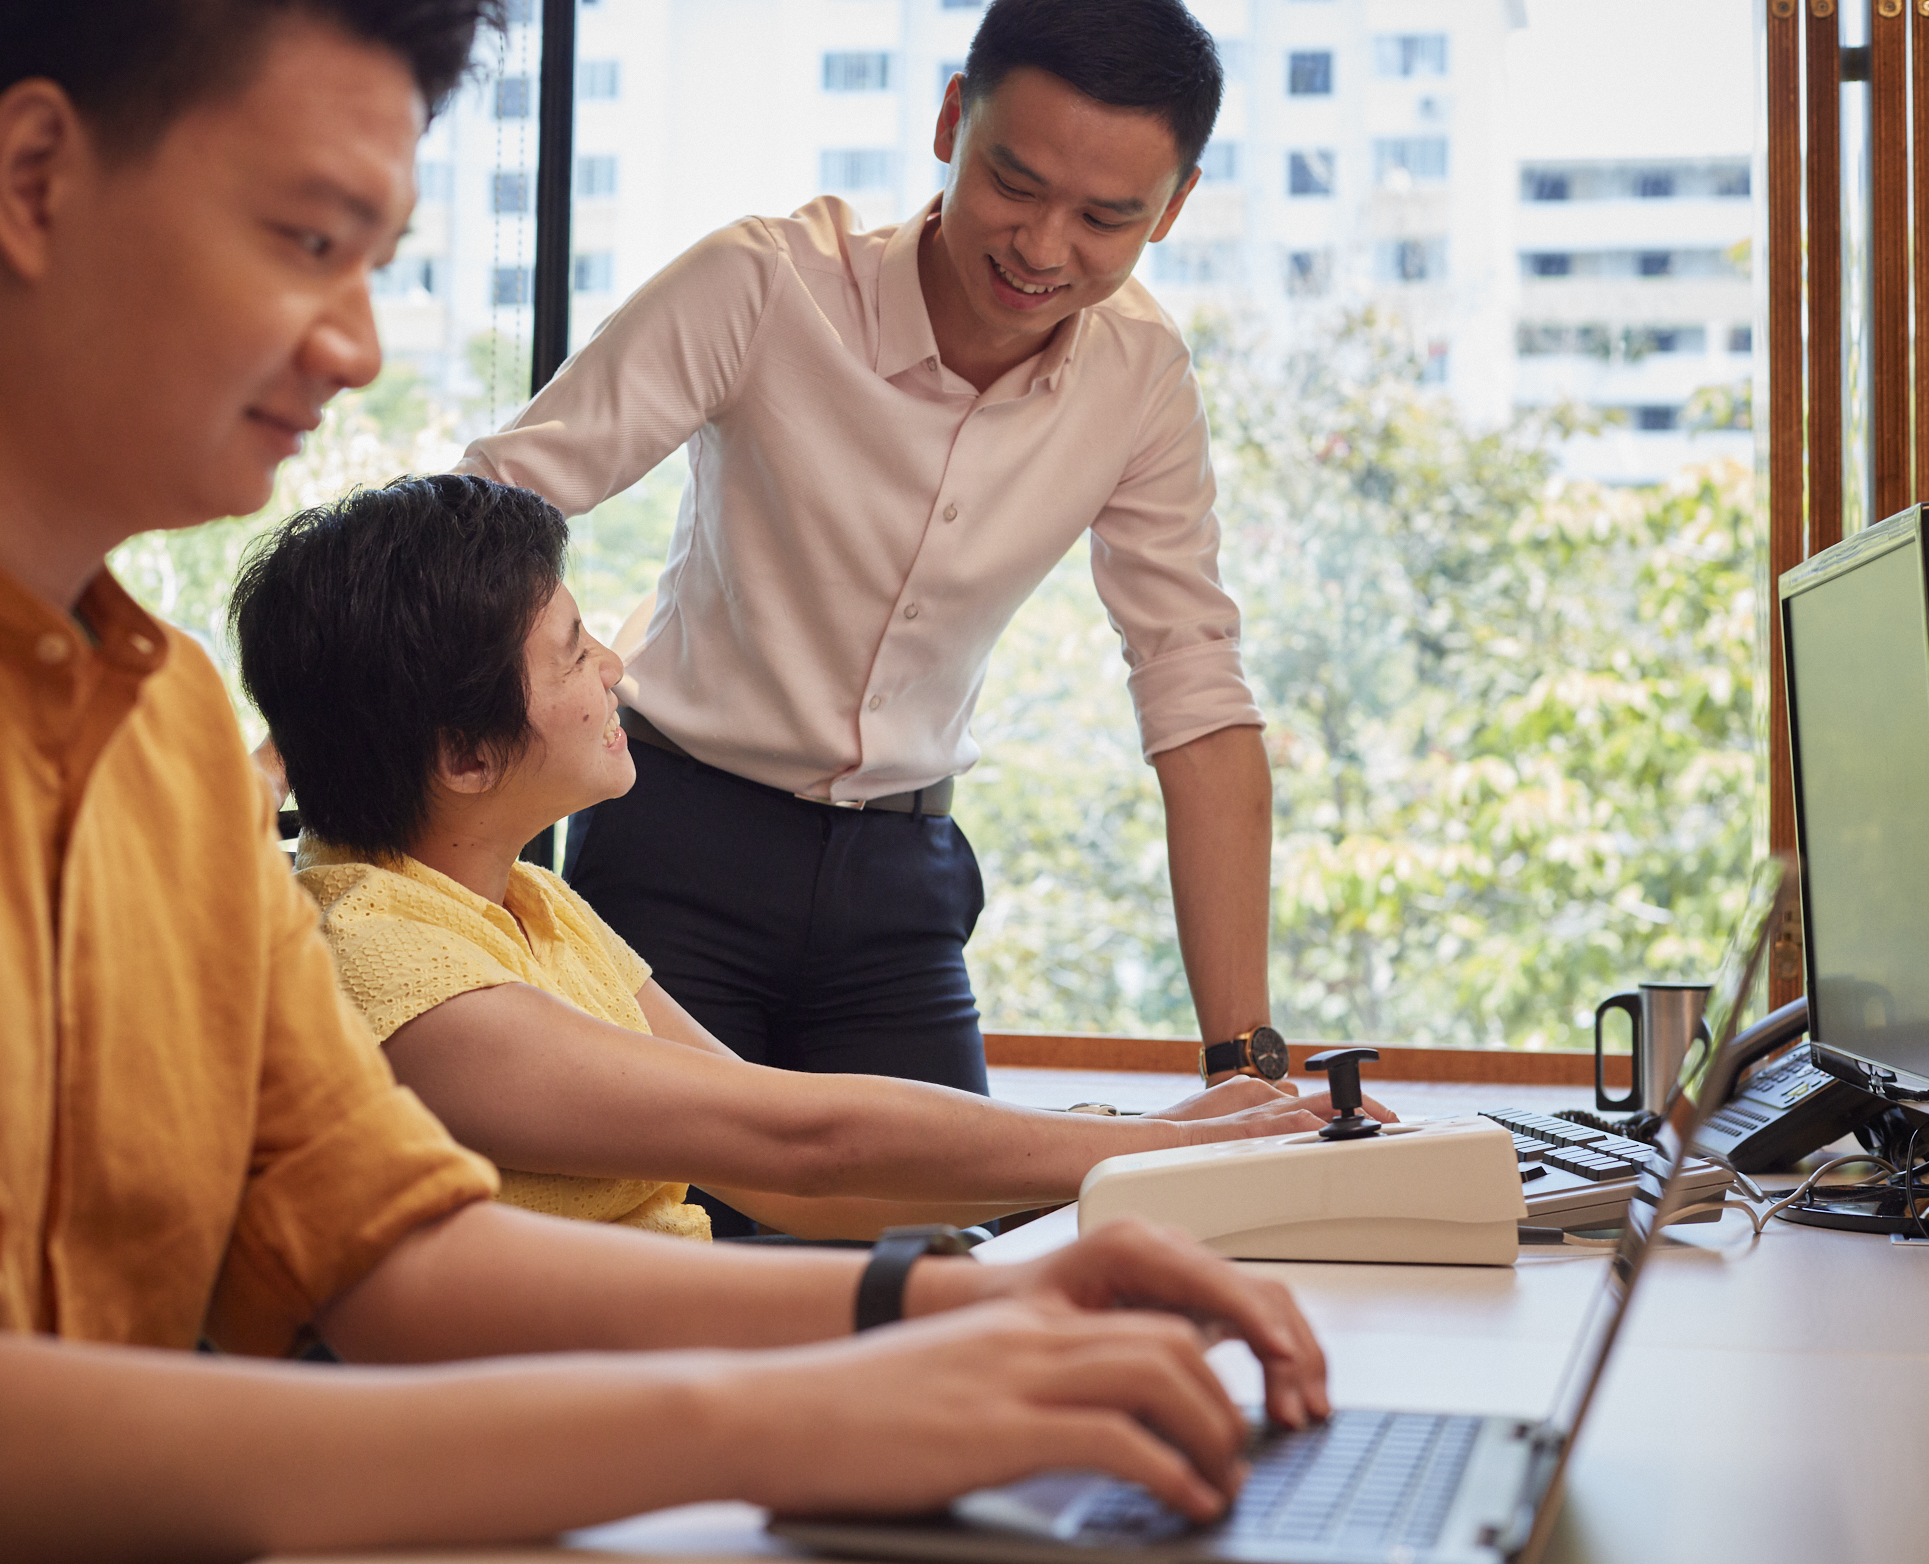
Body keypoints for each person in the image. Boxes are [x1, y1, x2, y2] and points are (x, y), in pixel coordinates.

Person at [0, 0, 1336, 1558]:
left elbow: (394, 1260)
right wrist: (789, 1405)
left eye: (374, 256)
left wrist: (930, 1311)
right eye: (306, 241)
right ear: (34, 176)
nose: (356, 342)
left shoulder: (148, 734)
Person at [450, 0, 1293, 1234]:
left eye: (1105, 216)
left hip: (900, 886)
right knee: (668, 1257)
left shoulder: (1140, 378)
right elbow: (492, 502)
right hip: (678, 846)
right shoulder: (765, 285)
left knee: (947, 1257)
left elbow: (1192, 689)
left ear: (1171, 210)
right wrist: (306, 759)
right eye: (1013, 181)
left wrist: (1243, 1072)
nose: (1042, 247)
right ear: (951, 121)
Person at [236, 474, 1379, 1242]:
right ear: (464, 757)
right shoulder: (384, 965)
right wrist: (1174, 1149)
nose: (615, 677)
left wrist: (1161, 1146)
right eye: (574, 656)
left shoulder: (523, 896)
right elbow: (797, 1139)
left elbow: (774, 1159)